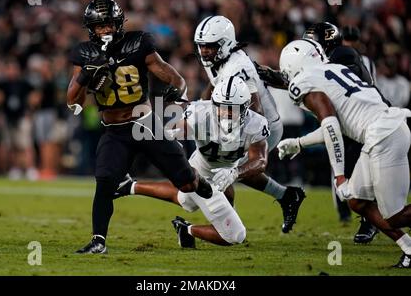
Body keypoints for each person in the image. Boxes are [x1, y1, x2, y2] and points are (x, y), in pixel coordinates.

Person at [66, 0, 213, 254]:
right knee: (104, 183)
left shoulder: (138, 43)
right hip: (114, 130)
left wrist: (177, 88)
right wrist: (86, 75)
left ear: (119, 23)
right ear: (90, 28)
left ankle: (196, 177)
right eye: (99, 26)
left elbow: (169, 72)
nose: (105, 30)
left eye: (109, 24)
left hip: (145, 123)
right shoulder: (84, 52)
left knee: (187, 185)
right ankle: (98, 240)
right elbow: (72, 101)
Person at [277, 39, 411, 268]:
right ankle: (409, 249)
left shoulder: (303, 80)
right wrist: (299, 143)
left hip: (382, 135)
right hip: (383, 131)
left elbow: (330, 125)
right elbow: (337, 124)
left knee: (395, 215)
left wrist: (339, 175)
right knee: (357, 201)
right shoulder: (334, 68)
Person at [115, 77, 273, 247]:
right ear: (214, 105)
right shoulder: (200, 113)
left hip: (225, 174)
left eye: (232, 109)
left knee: (186, 201)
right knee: (236, 235)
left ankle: (130, 186)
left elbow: (260, 161)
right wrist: (169, 134)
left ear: (245, 107)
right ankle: (189, 229)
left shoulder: (256, 123)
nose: (226, 113)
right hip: (200, 170)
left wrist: (235, 172)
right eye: (222, 107)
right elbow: (179, 128)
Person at [193, 15, 305, 233]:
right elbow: (214, 82)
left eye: (209, 46)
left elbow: (255, 110)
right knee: (229, 169)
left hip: (262, 125)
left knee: (221, 169)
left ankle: (225, 228)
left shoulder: (237, 66)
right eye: (202, 46)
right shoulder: (219, 58)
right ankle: (287, 196)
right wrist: (202, 104)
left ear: (224, 44)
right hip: (240, 119)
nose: (204, 51)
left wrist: (235, 137)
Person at [302, 22, 379, 243]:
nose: (310, 48)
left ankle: (370, 221)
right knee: (349, 173)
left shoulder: (344, 55)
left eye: (313, 43)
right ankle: (368, 219)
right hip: (352, 123)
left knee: (357, 176)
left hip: (364, 122)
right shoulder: (335, 57)